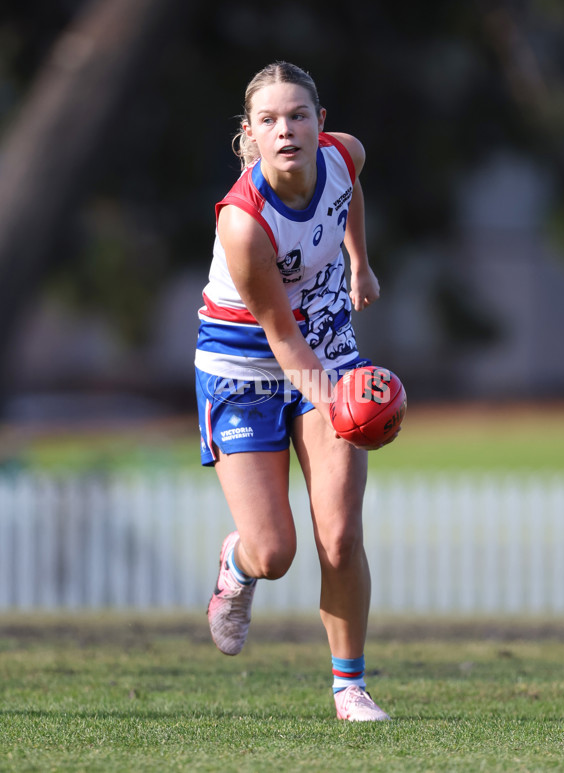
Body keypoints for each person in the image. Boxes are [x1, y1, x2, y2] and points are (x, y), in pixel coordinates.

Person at [195, 61, 393, 722]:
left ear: (321, 124)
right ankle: (237, 562)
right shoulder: (243, 223)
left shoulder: (344, 155)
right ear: (251, 135)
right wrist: (344, 405)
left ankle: (350, 687)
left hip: (326, 341)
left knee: (339, 535)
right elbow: (282, 342)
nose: (288, 130)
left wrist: (358, 259)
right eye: (270, 120)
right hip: (245, 361)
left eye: (299, 115)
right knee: (275, 551)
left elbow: (350, 191)